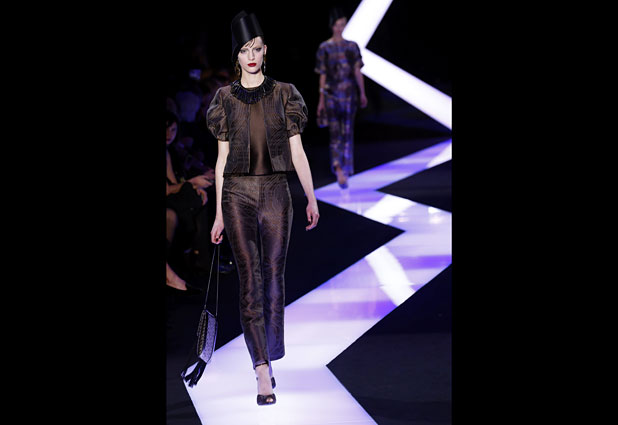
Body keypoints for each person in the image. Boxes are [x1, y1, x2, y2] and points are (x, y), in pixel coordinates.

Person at [206, 10, 319, 406]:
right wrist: (218, 213)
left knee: (273, 279)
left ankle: (270, 353)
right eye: (244, 50)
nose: (251, 56)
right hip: (236, 194)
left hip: (275, 192)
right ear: (236, 56)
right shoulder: (223, 100)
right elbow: (221, 161)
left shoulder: (286, 94)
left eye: (256, 49)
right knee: (250, 282)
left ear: (265, 50)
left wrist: (311, 196)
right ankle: (260, 369)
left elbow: (297, 151)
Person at [315, 7, 367, 188]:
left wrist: (362, 92)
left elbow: (357, 71)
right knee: (336, 132)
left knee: (347, 132)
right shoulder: (324, 48)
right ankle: (339, 167)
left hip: (349, 96)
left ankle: (344, 168)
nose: (340, 28)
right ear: (332, 26)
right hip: (331, 96)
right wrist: (321, 101)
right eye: (337, 25)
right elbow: (322, 75)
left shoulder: (352, 46)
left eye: (342, 24)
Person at [165, 111, 212, 292]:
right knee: (195, 201)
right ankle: (199, 259)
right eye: (166, 130)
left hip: (172, 198)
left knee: (200, 197)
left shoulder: (168, 151)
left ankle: (201, 259)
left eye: (173, 130)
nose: (169, 134)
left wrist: (193, 186)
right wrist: (193, 183)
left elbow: (173, 185)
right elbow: (168, 190)